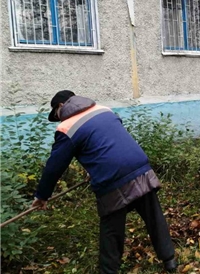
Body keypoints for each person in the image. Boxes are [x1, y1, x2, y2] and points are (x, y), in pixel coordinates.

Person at [32, 90, 177, 273]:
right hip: (140, 167)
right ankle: (169, 260)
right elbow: (107, 141)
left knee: (111, 231)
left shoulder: (67, 128)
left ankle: (109, 271)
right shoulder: (103, 110)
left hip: (112, 179)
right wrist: (94, 168)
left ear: (61, 106)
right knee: (154, 217)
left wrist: (42, 195)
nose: (58, 119)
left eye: (56, 114)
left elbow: (54, 167)